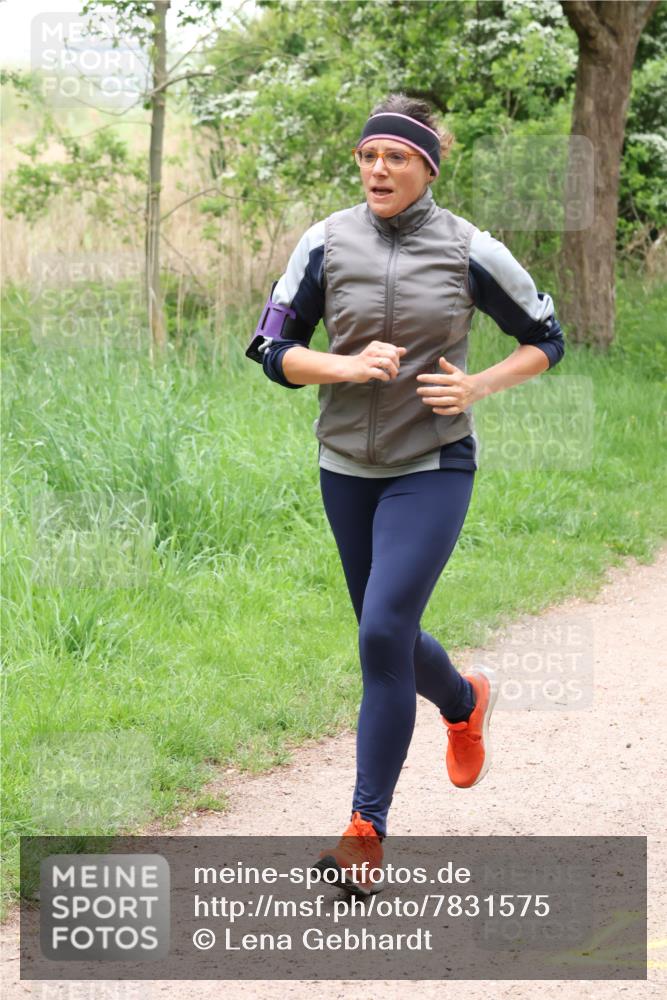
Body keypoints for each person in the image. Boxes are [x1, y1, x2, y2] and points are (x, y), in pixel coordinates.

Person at [246, 94, 565, 898]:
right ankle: (462, 699)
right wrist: (344, 367)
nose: (377, 170)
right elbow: (269, 345)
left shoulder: (469, 248)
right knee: (382, 633)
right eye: (366, 157)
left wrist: (478, 385)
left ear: (428, 165)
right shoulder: (325, 241)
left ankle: (363, 832)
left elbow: (545, 337)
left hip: (431, 463)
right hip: (345, 466)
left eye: (395, 157)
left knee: (383, 629)